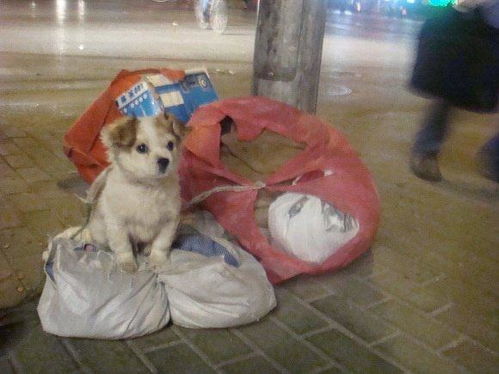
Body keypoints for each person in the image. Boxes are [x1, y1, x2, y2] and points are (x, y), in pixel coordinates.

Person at [409, 0, 499, 183]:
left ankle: (495, 156)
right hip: (477, 29)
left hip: (485, 28)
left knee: (450, 94)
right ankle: (426, 151)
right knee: (450, 91)